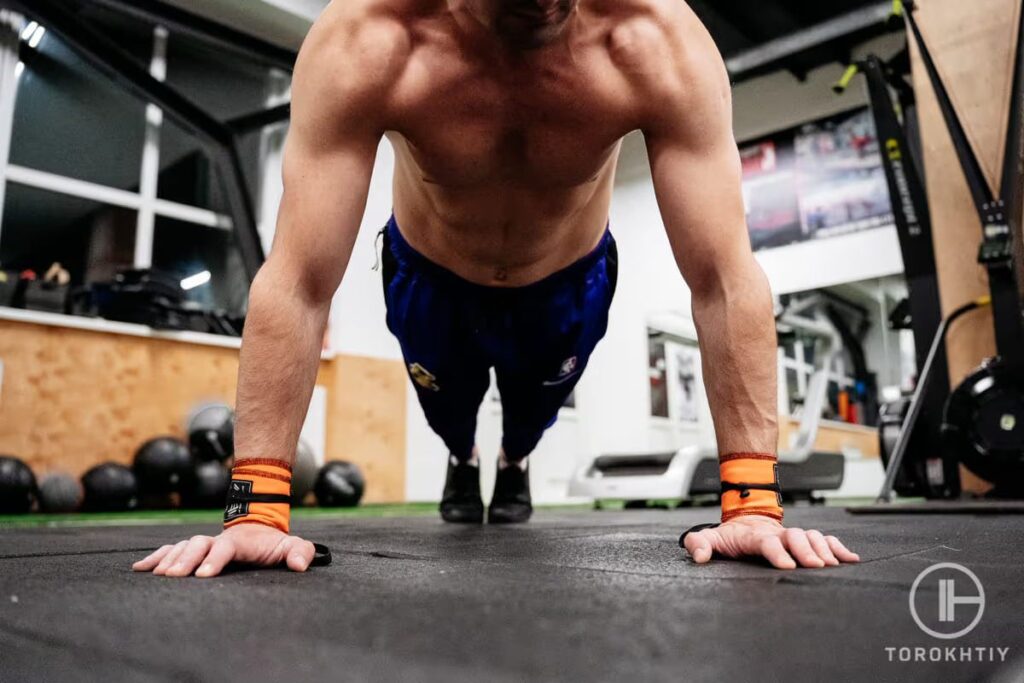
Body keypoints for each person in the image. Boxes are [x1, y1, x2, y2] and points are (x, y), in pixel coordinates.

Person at [133, 0, 860, 579]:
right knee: (449, 412)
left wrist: (754, 502)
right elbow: (296, 280)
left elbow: (723, 275)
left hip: (568, 283)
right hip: (430, 278)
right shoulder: (373, 37)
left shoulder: (654, 39)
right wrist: (256, 507)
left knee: (533, 413)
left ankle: (512, 461)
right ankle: (465, 457)